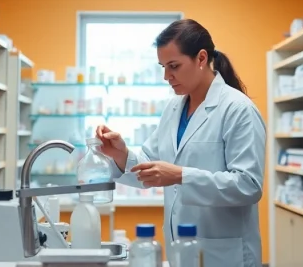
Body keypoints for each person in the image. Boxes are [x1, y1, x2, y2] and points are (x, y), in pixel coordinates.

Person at [96, 19, 266, 267]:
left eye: (173, 66)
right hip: (181, 251)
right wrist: (121, 154)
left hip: (224, 254)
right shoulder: (174, 108)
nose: (166, 76)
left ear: (201, 58)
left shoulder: (237, 109)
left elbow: (249, 185)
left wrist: (181, 176)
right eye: (163, 66)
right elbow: (152, 166)